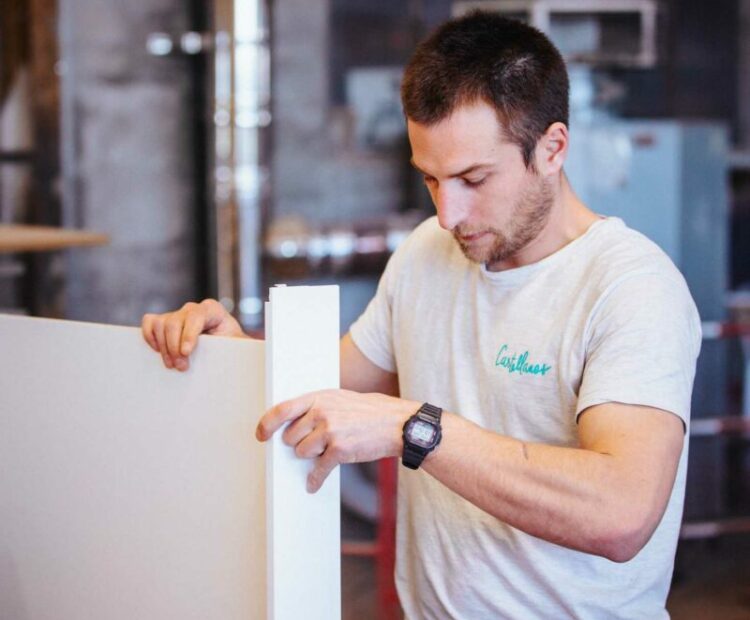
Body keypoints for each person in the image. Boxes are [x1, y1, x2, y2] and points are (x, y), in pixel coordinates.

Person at [142, 12, 701, 619]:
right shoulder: (426, 254)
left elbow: (621, 514)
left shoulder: (630, 287)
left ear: (552, 148)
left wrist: (418, 430)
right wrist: (237, 353)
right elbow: (323, 386)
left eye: (473, 178)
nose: (449, 214)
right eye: (431, 180)